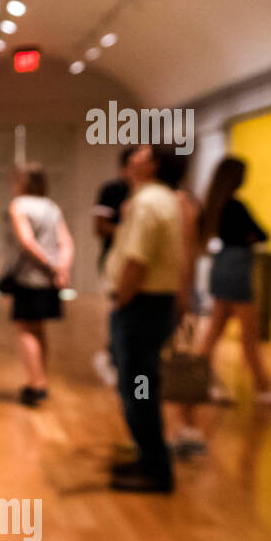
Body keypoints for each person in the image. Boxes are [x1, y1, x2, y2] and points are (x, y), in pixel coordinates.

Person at [105, 143, 183, 492]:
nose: (132, 158)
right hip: (149, 304)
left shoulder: (149, 202)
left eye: (141, 154)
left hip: (141, 305)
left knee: (138, 386)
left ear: (154, 164)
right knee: (139, 383)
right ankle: (148, 457)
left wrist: (121, 300)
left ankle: (155, 466)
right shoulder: (158, 198)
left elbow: (137, 260)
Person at [195, 156, 271, 408]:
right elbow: (261, 234)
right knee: (249, 333)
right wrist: (249, 236)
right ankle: (264, 388)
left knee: (215, 330)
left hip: (221, 268)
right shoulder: (236, 207)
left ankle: (201, 380)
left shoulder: (214, 205)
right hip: (237, 271)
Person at [7, 163, 74, 406]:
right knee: (40, 329)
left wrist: (49, 266)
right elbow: (66, 241)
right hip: (50, 279)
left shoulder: (19, 206)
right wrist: (62, 269)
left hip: (30, 278)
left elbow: (26, 242)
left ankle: (36, 384)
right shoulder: (51, 207)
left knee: (25, 329)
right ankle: (39, 379)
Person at [156, 151, 206, 456]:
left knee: (176, 363)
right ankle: (176, 430)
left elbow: (186, 250)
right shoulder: (179, 199)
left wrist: (183, 292)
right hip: (172, 289)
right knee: (169, 362)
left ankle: (187, 430)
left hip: (173, 291)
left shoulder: (178, 202)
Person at [90, 148, 135, 386]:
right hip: (115, 259)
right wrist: (129, 231)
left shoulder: (149, 194)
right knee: (118, 307)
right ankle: (114, 357)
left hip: (141, 263)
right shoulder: (113, 191)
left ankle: (121, 357)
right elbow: (99, 227)